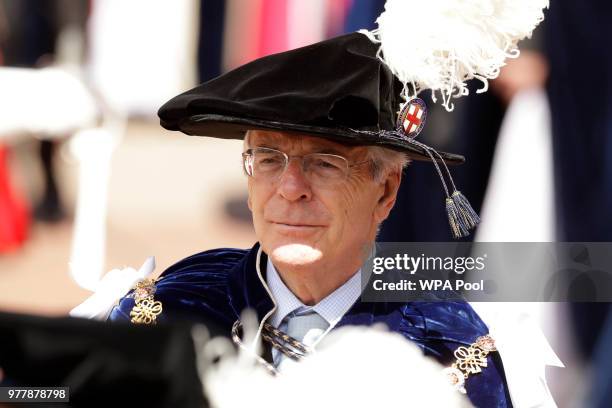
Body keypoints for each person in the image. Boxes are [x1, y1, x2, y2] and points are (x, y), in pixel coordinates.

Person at [108, 33, 513, 406]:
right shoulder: (173, 310)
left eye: (324, 164)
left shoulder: (444, 348)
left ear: (385, 191)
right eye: (268, 159)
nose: (290, 188)